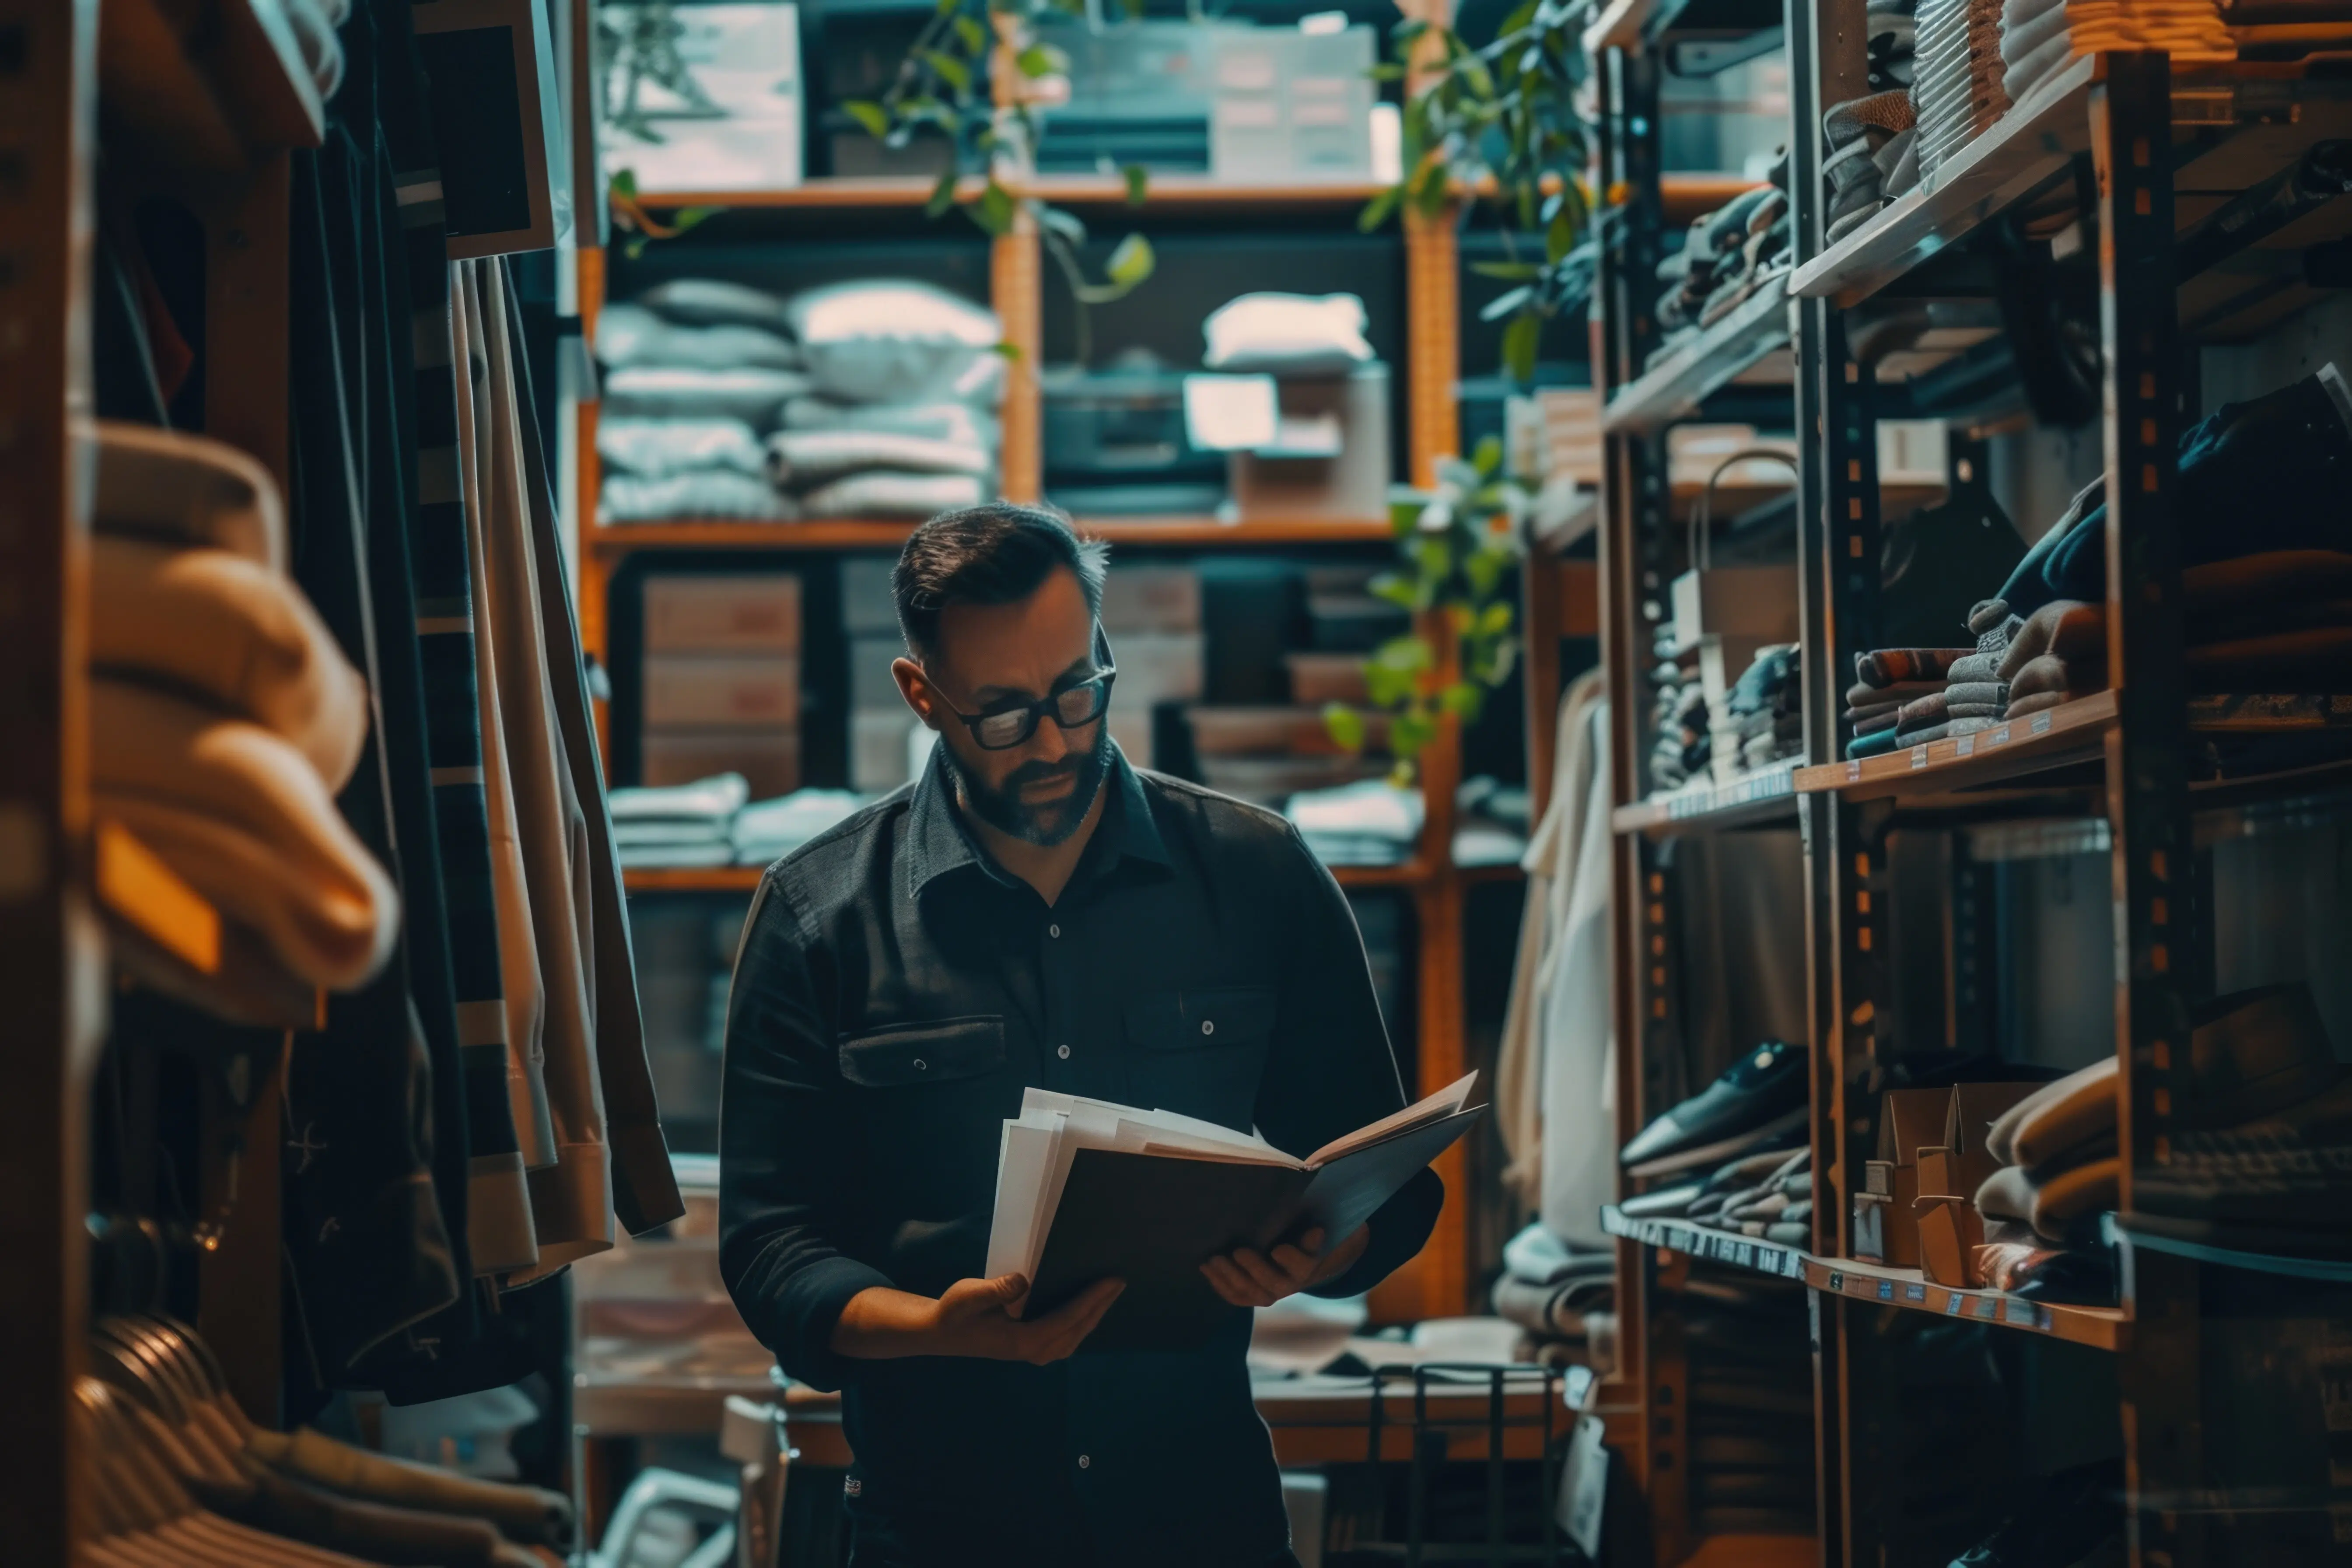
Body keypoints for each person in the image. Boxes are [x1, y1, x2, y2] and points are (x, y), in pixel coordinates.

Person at [718, 502, 1443, 1567]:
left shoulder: (1258, 876)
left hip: (1205, 1524)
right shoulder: (819, 915)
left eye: (1077, 693)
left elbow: (1395, 1184)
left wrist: (1319, 1251)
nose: (1056, 741)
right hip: (939, 1531)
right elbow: (770, 1245)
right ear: (923, 696)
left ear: (1106, 650)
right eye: (1005, 716)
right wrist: (934, 1330)